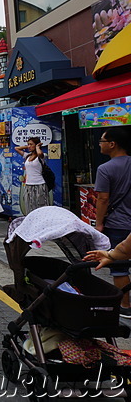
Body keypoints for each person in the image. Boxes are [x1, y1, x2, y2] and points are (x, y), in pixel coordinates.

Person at [87, 126, 131, 317]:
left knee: (119, 267)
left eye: (102, 141)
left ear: (112, 144)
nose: (99, 145)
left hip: (118, 224)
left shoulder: (105, 168)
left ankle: (125, 306)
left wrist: (98, 224)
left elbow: (103, 199)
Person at [15, 137, 49, 215]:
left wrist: (37, 147)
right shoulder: (27, 156)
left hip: (39, 184)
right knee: (29, 207)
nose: (29, 146)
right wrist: (28, 146)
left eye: (31, 144)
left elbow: (40, 154)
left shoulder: (42, 156)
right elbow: (17, 148)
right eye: (28, 144)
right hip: (28, 185)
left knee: (41, 207)